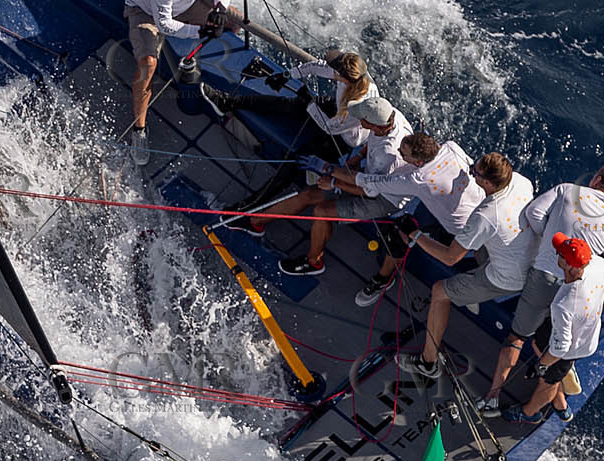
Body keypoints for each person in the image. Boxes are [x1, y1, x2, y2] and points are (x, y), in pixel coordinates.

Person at [489, 163, 604, 404]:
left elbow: (534, 214)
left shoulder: (567, 191)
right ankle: (556, 391)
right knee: (558, 342)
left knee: (517, 337)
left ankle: (492, 397)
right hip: (578, 289)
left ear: (597, 180)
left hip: (545, 277)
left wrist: (551, 239)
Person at [396, 152, 536, 391]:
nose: (471, 174)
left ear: (489, 183)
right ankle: (472, 291)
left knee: (440, 292)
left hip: (508, 277)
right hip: (530, 260)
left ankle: (427, 362)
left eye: (475, 173)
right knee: (477, 245)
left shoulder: (485, 216)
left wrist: (414, 235)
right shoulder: (522, 182)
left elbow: (450, 258)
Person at [226, 96, 412, 276]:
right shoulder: (390, 114)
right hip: (369, 176)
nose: (358, 119)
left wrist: (334, 183)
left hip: (382, 197)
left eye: (362, 119)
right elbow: (372, 140)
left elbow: (369, 191)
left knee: (322, 211)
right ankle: (255, 222)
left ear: (374, 124)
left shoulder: (388, 155)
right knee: (307, 195)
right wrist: (358, 157)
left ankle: (314, 262)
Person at [122, 0, 245, 164]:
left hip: (184, 5)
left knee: (236, 20)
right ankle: (138, 131)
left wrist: (220, 9)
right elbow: (165, 25)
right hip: (146, 12)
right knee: (148, 65)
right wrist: (201, 31)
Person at [346, 132, 485, 307]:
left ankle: (383, 280)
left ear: (419, 162)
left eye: (403, 154)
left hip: (458, 232)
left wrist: (328, 170)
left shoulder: (418, 179)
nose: (399, 152)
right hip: (473, 209)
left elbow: (368, 181)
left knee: (397, 234)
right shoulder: (452, 147)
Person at [502, 233, 604, 423]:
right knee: (539, 342)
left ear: (570, 267)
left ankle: (531, 413)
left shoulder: (563, 304)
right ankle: (561, 395)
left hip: (573, 347)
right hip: (575, 330)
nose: (558, 253)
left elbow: (561, 349)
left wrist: (541, 366)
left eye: (561, 254)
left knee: (548, 382)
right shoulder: (598, 264)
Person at [201, 49, 380, 159]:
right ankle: (227, 102)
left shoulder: (356, 106)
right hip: (336, 110)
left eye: (334, 68)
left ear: (343, 77)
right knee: (289, 104)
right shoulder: (353, 76)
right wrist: (287, 75)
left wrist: (309, 103)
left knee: (298, 157)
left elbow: (330, 128)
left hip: (344, 138)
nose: (330, 67)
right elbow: (315, 67)